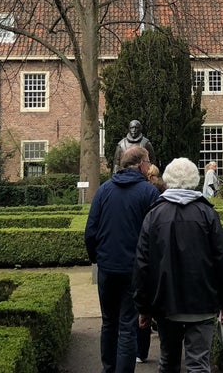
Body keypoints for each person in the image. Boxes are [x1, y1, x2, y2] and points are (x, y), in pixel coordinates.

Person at [134, 157, 223, 373]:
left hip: (165, 303)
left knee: (168, 361)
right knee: (198, 364)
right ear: (194, 180)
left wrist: (143, 307)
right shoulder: (207, 213)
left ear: (168, 180)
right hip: (202, 302)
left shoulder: (154, 214)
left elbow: (143, 264)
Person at [84, 146, 160, 373]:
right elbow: (156, 235)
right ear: (141, 164)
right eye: (147, 162)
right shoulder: (149, 192)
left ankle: (108, 369)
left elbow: (90, 231)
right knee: (128, 325)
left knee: (108, 323)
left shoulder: (104, 190)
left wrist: (97, 258)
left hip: (107, 267)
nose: (148, 167)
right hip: (134, 270)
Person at [136, 164, 166, 364]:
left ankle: (141, 352)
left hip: (144, 252)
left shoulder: (142, 193)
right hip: (160, 256)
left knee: (143, 303)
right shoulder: (162, 195)